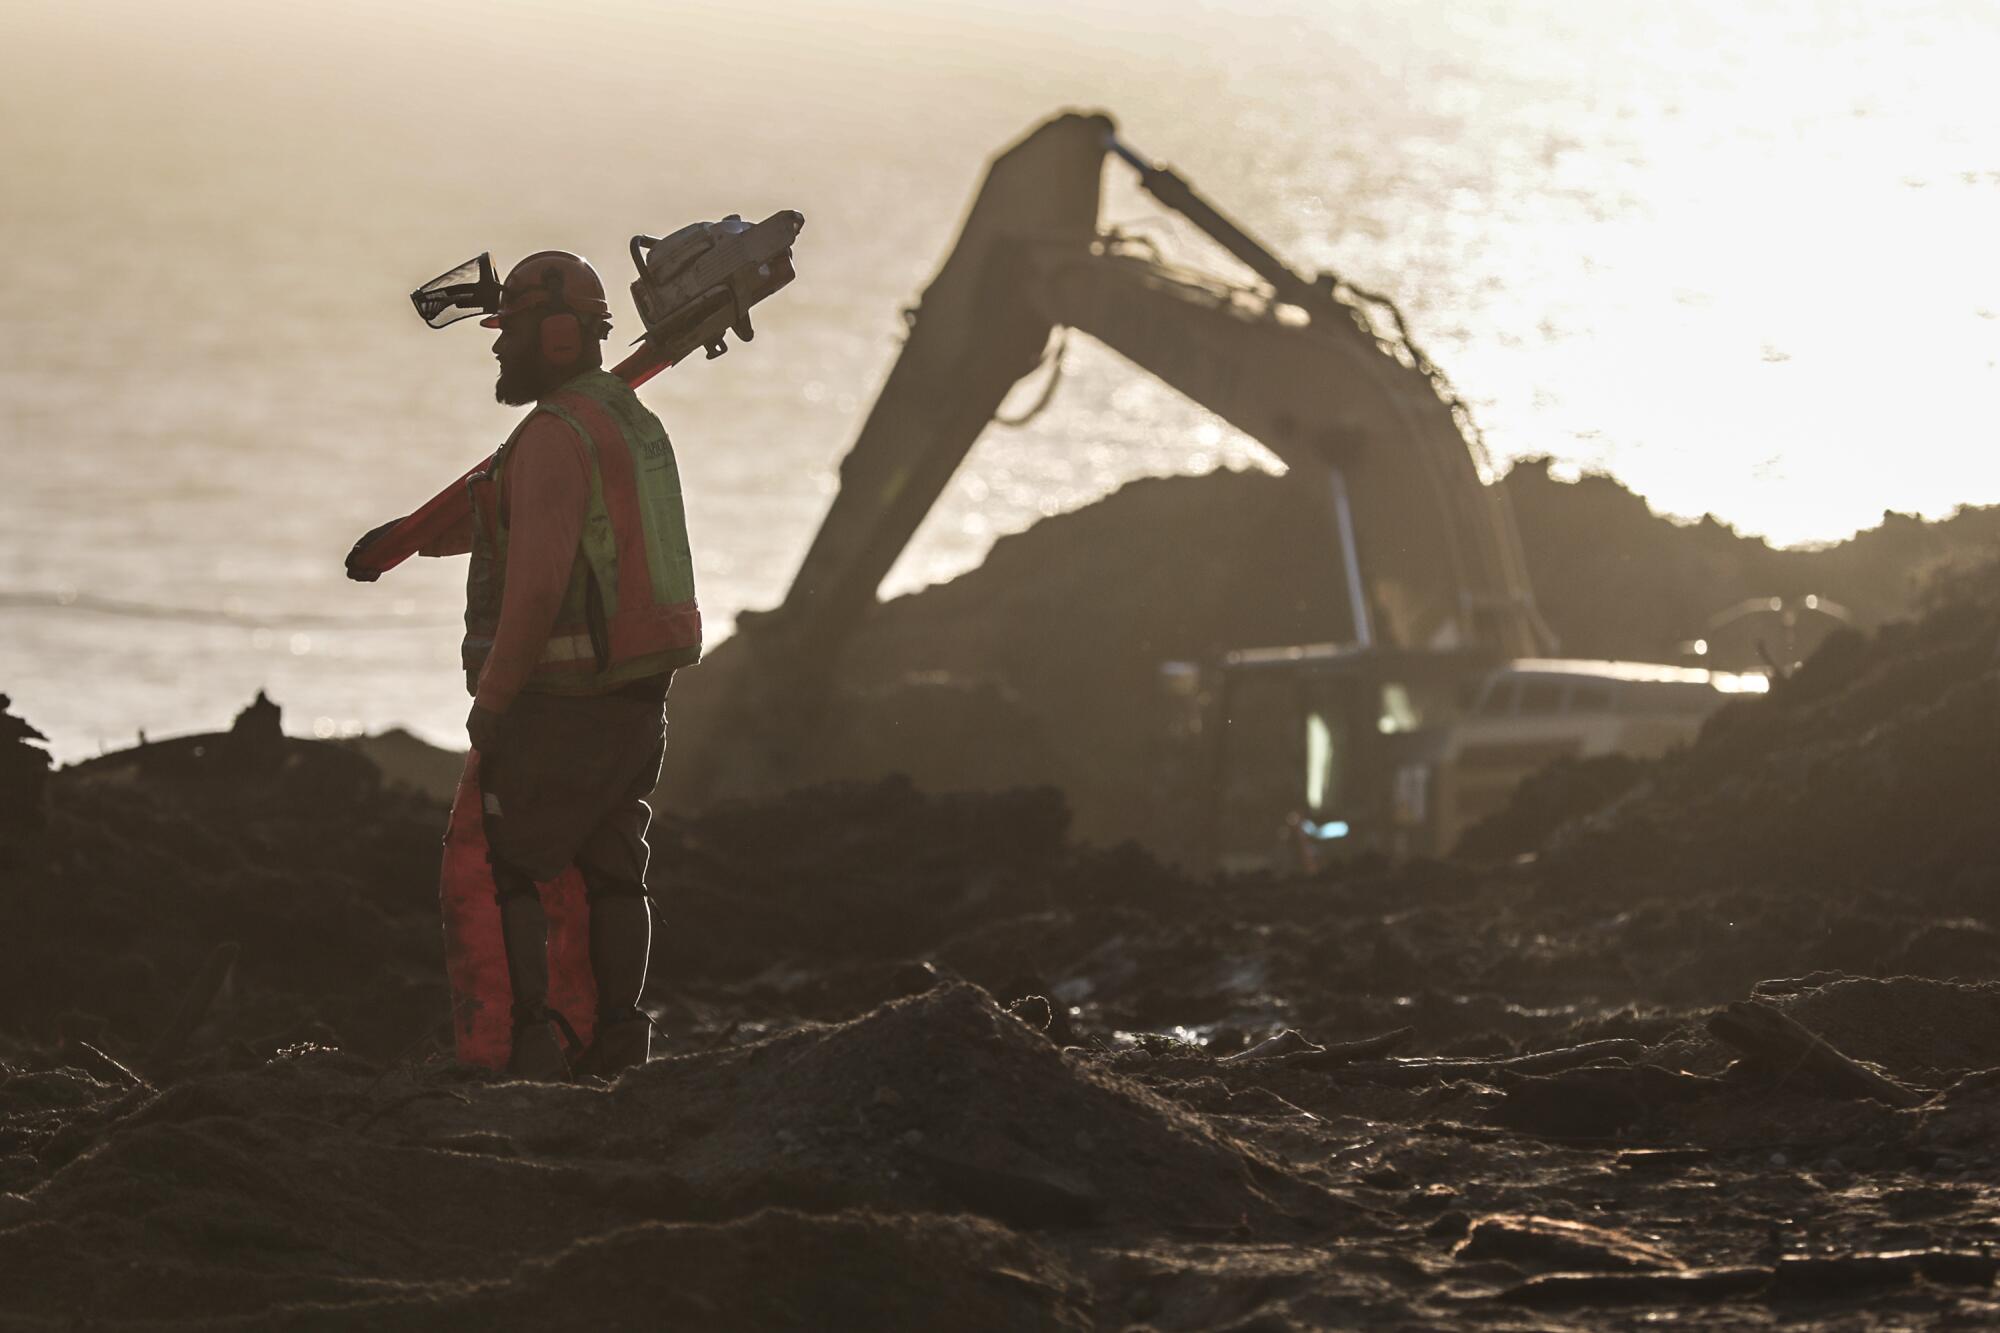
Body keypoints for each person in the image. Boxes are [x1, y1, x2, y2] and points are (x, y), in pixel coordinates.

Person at [357, 251, 703, 1078]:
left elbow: (540, 577)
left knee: (511, 866)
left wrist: (497, 696)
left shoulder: (553, 435)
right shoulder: (620, 418)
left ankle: (527, 1048)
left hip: (560, 697)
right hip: (635, 691)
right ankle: (619, 1039)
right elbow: (516, 519)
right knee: (616, 865)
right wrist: (413, 534)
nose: (496, 348)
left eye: (507, 332)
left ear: (553, 336)